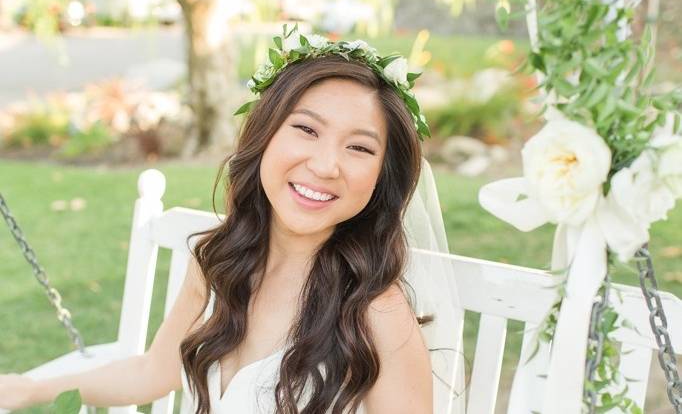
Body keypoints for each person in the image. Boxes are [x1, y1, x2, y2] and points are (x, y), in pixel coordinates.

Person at [0, 26, 434, 413]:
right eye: (306, 129)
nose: (325, 165)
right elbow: (154, 372)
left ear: (382, 177)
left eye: (359, 148)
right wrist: (30, 389)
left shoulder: (376, 312)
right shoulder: (220, 260)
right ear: (265, 134)